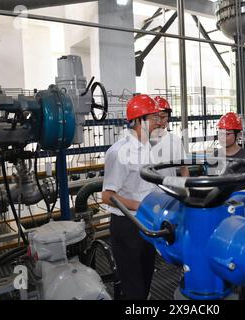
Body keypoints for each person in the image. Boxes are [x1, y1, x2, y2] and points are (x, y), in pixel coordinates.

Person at [102, 94, 162, 299]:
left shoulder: (149, 148)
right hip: (127, 225)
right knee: (133, 287)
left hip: (147, 222)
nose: (159, 122)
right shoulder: (119, 152)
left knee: (145, 280)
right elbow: (108, 196)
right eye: (154, 118)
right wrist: (141, 205)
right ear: (138, 121)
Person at [214, 112, 245, 190]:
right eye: (220, 133)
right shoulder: (215, 155)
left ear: (238, 135)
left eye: (227, 134)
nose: (222, 137)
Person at [151, 96, 189, 177]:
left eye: (163, 117)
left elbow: (184, 168)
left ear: (168, 118)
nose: (159, 121)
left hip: (169, 189)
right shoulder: (142, 142)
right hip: (148, 189)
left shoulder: (175, 140)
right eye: (155, 117)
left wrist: (187, 188)